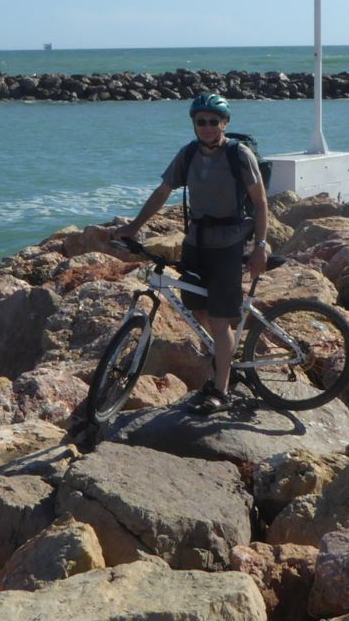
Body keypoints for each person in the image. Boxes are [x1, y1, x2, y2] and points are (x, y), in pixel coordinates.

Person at [112, 93, 269, 413]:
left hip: (228, 245)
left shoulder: (239, 155)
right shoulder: (188, 154)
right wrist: (134, 226)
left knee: (220, 322)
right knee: (198, 309)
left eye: (213, 121)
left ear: (225, 123)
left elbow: (261, 202)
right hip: (195, 244)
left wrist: (260, 247)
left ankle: (221, 390)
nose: (207, 127)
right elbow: (162, 192)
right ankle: (226, 355)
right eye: (201, 122)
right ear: (194, 124)